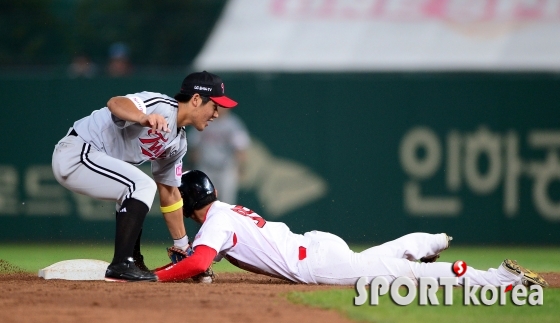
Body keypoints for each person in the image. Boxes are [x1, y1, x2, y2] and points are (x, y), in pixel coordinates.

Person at [155, 170, 549, 288]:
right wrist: (191, 260)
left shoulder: (215, 223)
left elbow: (197, 265)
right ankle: (426, 240)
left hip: (316, 266)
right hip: (318, 246)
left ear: (186, 205)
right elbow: (203, 263)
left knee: (409, 277)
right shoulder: (224, 213)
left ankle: (500, 279)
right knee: (373, 263)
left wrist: (157, 276)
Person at [52, 71, 238, 282]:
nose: (216, 114)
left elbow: (169, 192)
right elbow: (115, 103)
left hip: (91, 159)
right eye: (214, 106)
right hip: (77, 151)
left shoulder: (178, 143)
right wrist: (142, 117)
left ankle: (132, 261)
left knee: (134, 189)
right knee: (140, 184)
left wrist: (182, 246)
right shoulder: (161, 105)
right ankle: (121, 265)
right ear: (196, 99)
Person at [186, 106, 251, 204]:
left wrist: (241, 168)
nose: (220, 109)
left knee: (227, 204)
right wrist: (191, 167)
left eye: (223, 107)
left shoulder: (233, 124)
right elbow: (193, 145)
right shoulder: (204, 120)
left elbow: (240, 148)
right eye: (218, 106)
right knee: (203, 203)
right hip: (205, 168)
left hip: (225, 170)